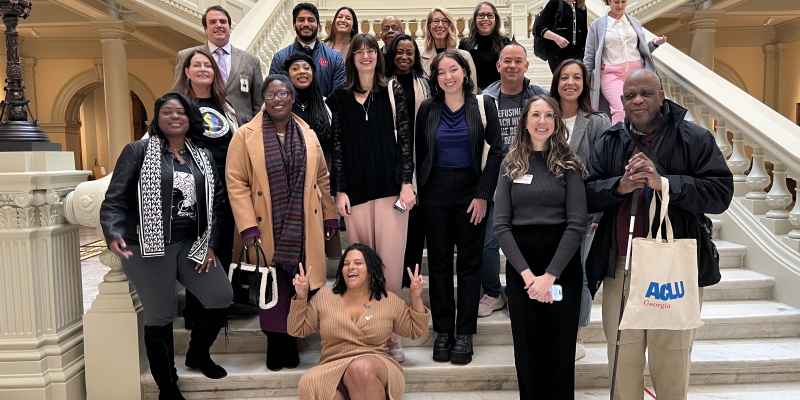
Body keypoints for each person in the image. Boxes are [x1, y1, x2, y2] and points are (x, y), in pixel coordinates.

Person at [585, 69, 733, 399]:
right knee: (623, 359)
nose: (637, 100)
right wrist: (618, 187)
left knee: (671, 360)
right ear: (621, 101)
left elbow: (721, 193)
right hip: (623, 264)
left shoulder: (694, 138)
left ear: (662, 96)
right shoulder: (609, 141)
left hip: (673, 267)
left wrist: (664, 182)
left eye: (645, 93)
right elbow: (586, 193)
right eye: (630, 95)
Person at [100, 92, 232, 399]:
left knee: (220, 296)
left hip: (192, 243)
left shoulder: (202, 154)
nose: (174, 117)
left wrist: (211, 243)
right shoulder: (137, 151)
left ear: (190, 119)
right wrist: (114, 231)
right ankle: (167, 387)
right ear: (157, 119)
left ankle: (197, 353)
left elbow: (217, 204)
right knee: (160, 315)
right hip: (148, 245)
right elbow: (114, 199)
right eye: (167, 113)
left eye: (181, 113)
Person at [226, 74, 338, 371]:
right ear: (264, 98)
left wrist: (328, 214)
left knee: (300, 285)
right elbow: (236, 182)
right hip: (264, 228)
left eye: (284, 94)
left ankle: (295, 337)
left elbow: (323, 178)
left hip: (304, 226)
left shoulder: (308, 133)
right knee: (272, 289)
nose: (278, 99)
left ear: (292, 98)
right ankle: (277, 345)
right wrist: (247, 224)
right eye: (272, 94)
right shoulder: (244, 135)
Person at [327, 33, 415, 362]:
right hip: (356, 195)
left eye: (371, 51)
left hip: (392, 192)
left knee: (390, 270)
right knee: (360, 268)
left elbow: (405, 141)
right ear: (351, 58)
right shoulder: (339, 96)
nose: (365, 56)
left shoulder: (392, 91)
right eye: (359, 51)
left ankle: (391, 336)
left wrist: (407, 183)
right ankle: (366, 334)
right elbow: (337, 147)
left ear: (378, 56)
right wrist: (340, 190)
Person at [494, 95, 587, 399]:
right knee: (528, 351)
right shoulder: (511, 164)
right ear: (525, 121)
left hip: (561, 265)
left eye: (549, 115)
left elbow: (576, 224)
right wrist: (528, 277)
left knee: (560, 353)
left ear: (556, 121)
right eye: (536, 114)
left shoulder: (570, 164)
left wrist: (549, 277)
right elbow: (502, 226)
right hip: (523, 267)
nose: (542, 121)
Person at [415, 50, 503, 365]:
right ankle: (443, 332)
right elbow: (420, 153)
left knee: (469, 266)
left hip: (471, 196)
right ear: (435, 79)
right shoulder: (427, 109)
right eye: (441, 72)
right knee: (438, 267)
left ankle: (464, 333)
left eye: (454, 70)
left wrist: (483, 195)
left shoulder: (483, 105)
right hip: (435, 197)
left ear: (464, 72)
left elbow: (496, 153)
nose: (448, 76)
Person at [288, 243, 430, 400]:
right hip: (332, 364)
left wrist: (416, 296)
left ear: (370, 269)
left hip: (375, 363)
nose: (350, 267)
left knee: (359, 368)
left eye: (358, 263)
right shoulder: (324, 297)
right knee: (310, 382)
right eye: (346, 264)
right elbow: (296, 329)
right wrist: (301, 297)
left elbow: (416, 330)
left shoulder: (388, 300)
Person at [478, 42, 547, 319]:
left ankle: (523, 290)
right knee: (489, 243)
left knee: (528, 240)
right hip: (496, 180)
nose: (512, 66)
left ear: (526, 65)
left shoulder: (538, 96)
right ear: (498, 65)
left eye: (518, 61)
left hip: (530, 179)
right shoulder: (486, 98)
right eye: (507, 61)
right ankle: (493, 293)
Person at [173, 48, 241, 326]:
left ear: (215, 73)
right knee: (195, 248)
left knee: (221, 246)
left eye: (208, 66)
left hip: (224, 190)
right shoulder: (178, 105)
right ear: (187, 72)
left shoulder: (225, 107)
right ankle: (196, 311)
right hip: (194, 190)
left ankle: (218, 309)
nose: (203, 69)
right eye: (197, 65)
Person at [550, 58, 611, 360]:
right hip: (548, 214)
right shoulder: (544, 116)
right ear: (556, 82)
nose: (570, 83)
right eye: (565, 77)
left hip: (585, 215)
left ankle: (575, 334)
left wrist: (600, 212)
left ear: (585, 83)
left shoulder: (598, 122)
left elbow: (604, 170)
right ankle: (554, 329)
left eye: (577, 77)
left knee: (581, 275)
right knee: (553, 273)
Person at [384, 33, 433, 288]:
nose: (404, 57)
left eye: (409, 53)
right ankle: (392, 280)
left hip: (421, 162)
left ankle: (410, 281)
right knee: (394, 226)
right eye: (399, 52)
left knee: (415, 226)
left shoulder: (425, 84)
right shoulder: (383, 84)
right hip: (391, 166)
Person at [282, 53, 341, 260]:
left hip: (320, 184)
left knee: (316, 250)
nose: (301, 72)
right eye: (295, 68)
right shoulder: (279, 106)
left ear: (314, 74)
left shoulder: (325, 105)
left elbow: (334, 146)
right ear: (287, 75)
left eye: (306, 68)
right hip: (288, 186)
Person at [176, 5, 263, 125]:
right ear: (206, 29)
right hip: (202, 127)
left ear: (229, 27)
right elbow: (180, 92)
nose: (219, 25)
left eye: (223, 22)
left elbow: (259, 103)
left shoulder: (250, 61)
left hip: (242, 131)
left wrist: (255, 130)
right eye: (212, 22)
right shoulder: (186, 56)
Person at [584, 0, 666, 124]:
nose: (620, 5)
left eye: (623, 1)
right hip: (611, 74)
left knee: (642, 109)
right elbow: (589, 57)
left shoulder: (634, 23)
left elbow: (641, 50)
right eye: (616, 2)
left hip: (637, 74)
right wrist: (584, 81)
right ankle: (620, 142)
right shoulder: (596, 26)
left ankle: (640, 141)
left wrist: (654, 44)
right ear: (609, 2)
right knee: (621, 110)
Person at [270, 2, 346, 97]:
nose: (306, 24)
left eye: (311, 20)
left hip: (326, 111)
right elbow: (274, 94)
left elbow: (340, 96)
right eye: (301, 20)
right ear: (294, 25)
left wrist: (322, 108)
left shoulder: (335, 58)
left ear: (318, 25)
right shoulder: (280, 58)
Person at [420, 7, 479, 93]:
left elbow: (472, 90)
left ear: (450, 26)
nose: (440, 25)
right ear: (429, 26)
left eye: (444, 21)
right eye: (436, 21)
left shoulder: (465, 56)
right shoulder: (420, 57)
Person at [458, 2, 510, 91]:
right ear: (475, 19)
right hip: (473, 95)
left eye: (490, 15)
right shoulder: (465, 44)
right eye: (481, 15)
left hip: (498, 95)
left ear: (495, 19)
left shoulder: (505, 42)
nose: (485, 19)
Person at [535, 0, 588, 72]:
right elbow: (538, 28)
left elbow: (584, 32)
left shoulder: (581, 7)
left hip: (578, 56)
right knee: (562, 80)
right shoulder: (555, 3)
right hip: (557, 56)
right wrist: (557, 38)